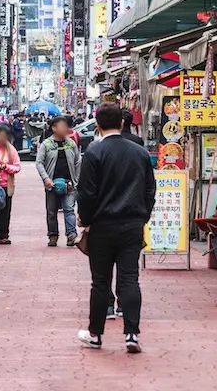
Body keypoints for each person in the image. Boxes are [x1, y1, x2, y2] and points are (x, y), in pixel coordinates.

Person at [75, 103, 156, 354]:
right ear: (122, 123)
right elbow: (149, 190)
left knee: (100, 282)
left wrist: (85, 220)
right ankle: (132, 333)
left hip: (101, 225)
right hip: (132, 224)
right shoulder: (139, 152)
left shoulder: (94, 153)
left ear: (97, 124)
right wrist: (143, 216)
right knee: (129, 278)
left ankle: (96, 334)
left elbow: (86, 193)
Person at [36, 115, 81, 247]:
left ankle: (71, 235)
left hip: (69, 184)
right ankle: (53, 235)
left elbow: (78, 162)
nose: (65, 129)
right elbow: (39, 163)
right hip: (52, 184)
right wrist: (46, 179)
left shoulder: (71, 143)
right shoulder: (47, 144)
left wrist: (76, 180)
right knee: (51, 211)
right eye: (62, 126)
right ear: (54, 128)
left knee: (69, 209)